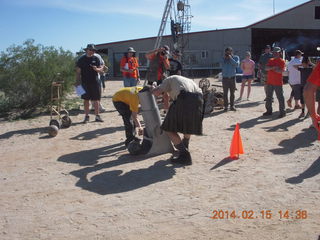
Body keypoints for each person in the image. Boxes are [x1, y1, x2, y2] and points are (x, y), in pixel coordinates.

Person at [151, 75, 203, 165]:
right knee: (188, 126)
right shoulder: (184, 79)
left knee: (168, 128)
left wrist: (152, 88)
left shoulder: (168, 79)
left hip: (184, 98)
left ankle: (184, 155)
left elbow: (156, 92)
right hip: (199, 99)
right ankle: (185, 144)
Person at [75, 44, 104, 123]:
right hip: (85, 82)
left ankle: (97, 116)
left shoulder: (96, 58)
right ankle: (86, 117)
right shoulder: (81, 59)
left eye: (93, 50)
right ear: (87, 50)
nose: (92, 51)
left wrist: (97, 69)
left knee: (96, 100)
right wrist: (77, 82)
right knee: (86, 100)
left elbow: (101, 69)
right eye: (90, 50)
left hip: (95, 82)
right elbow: (78, 72)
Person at [263, 47, 286, 118]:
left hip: (278, 83)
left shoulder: (282, 61)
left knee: (280, 97)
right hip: (270, 82)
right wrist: (274, 68)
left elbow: (280, 71)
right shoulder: (271, 60)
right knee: (268, 97)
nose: (275, 53)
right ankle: (269, 111)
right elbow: (266, 68)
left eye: (277, 52)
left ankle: (282, 112)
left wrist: (271, 68)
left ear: (279, 53)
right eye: (274, 52)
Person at [146, 45, 171, 110]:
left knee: (166, 95)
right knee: (152, 95)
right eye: (162, 52)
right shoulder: (154, 55)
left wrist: (165, 59)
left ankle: (166, 110)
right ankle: (153, 110)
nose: (163, 53)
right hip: (152, 78)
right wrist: (157, 50)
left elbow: (168, 67)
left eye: (165, 52)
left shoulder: (165, 57)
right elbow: (147, 55)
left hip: (161, 78)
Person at [220, 47, 240, 111]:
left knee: (232, 93)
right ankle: (226, 106)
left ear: (232, 52)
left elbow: (236, 65)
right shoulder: (223, 58)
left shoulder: (236, 57)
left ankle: (232, 106)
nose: (228, 54)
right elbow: (221, 65)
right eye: (227, 52)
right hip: (225, 79)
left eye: (229, 52)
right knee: (225, 93)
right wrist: (225, 59)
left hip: (232, 78)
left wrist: (231, 58)